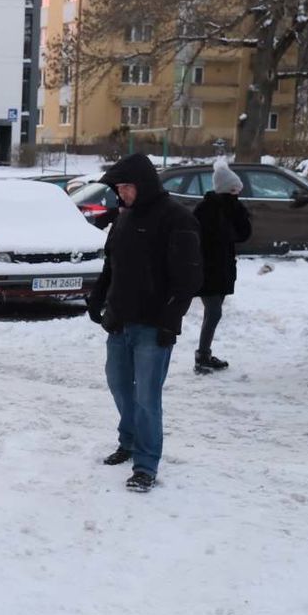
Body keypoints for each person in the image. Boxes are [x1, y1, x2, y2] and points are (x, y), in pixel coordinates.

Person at [86, 153, 202, 492]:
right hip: (120, 320)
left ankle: (145, 465)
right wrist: (98, 298)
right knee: (119, 384)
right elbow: (112, 264)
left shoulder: (176, 218)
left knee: (147, 397)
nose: (120, 194)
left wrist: (171, 320)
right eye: (118, 188)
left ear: (143, 185)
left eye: (125, 187)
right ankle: (129, 439)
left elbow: (189, 277)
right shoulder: (124, 218)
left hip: (153, 324)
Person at [193, 158, 252, 375]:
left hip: (223, 268)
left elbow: (244, 234)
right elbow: (201, 238)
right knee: (214, 312)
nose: (237, 194)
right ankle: (201, 356)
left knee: (214, 312)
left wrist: (239, 212)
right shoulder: (206, 210)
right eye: (234, 190)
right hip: (207, 269)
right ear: (225, 189)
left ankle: (204, 354)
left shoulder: (231, 208)